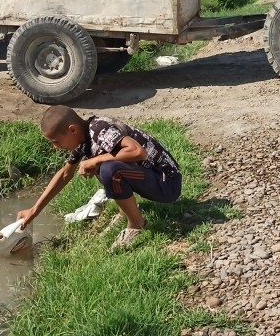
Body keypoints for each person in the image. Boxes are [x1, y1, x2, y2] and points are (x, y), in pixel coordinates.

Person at [18, 105, 181, 250]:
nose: (55, 147)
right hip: (149, 177)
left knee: (109, 169)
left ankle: (137, 225)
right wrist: (34, 210)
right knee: (104, 165)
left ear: (72, 130)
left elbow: (138, 152)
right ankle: (126, 212)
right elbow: (65, 174)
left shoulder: (100, 129)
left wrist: (96, 160)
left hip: (167, 184)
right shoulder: (83, 140)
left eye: (56, 142)